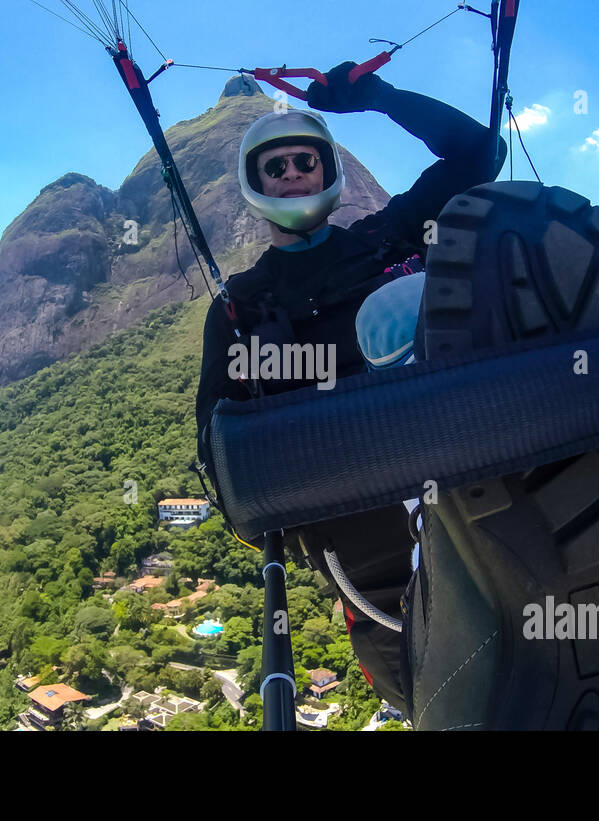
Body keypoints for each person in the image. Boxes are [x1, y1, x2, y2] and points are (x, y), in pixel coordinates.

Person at [195, 62, 504, 711]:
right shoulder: (239, 308)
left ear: (328, 171)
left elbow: (479, 152)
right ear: (256, 186)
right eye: (274, 167)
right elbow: (224, 470)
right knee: (436, 704)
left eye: (304, 160)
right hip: (370, 568)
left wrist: (380, 97)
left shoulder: (388, 237)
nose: (291, 174)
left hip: (471, 503)